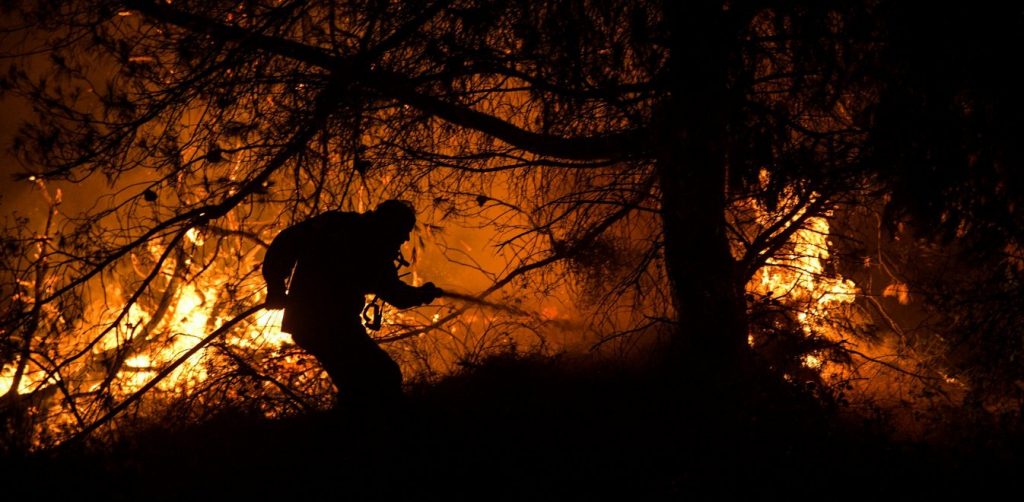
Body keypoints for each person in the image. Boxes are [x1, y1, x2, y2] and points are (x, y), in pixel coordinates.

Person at [261, 200, 442, 408]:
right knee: (382, 376)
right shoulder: (372, 248)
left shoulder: (337, 224)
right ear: (391, 225)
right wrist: (423, 294)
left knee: (361, 383)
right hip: (329, 325)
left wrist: (275, 285)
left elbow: (286, 241)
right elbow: (396, 294)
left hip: (311, 324)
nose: (405, 238)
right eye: (403, 231)